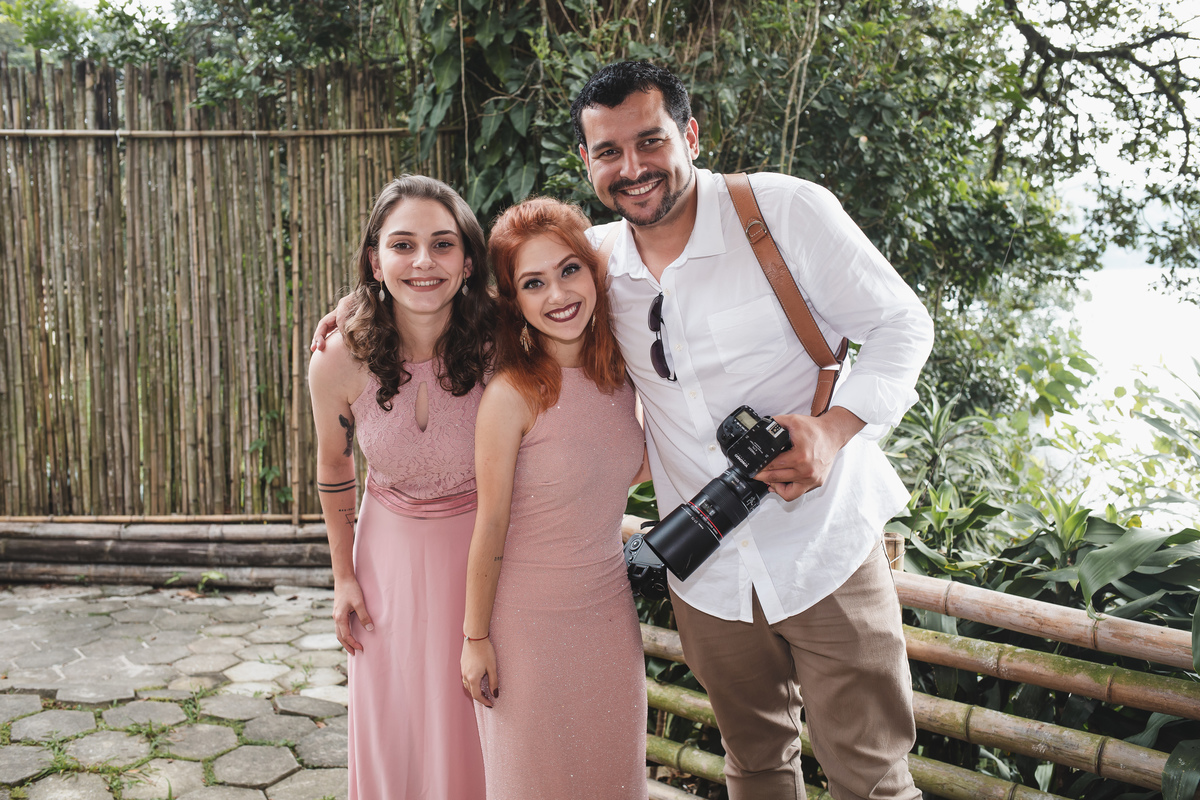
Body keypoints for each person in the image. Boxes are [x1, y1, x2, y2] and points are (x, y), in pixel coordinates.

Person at [570, 62, 935, 799]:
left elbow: (901, 324)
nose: (632, 169)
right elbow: (472, 304)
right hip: (705, 569)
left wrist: (832, 432)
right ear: (587, 162)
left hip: (824, 545)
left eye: (650, 141)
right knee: (755, 764)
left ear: (691, 135)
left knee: (873, 777)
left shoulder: (782, 211)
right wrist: (361, 321)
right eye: (609, 152)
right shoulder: (594, 262)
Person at [307, 175, 492, 799]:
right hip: (384, 558)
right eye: (402, 244)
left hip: (484, 553)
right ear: (375, 258)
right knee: (395, 727)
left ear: (468, 261)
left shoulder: (505, 347)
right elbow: (335, 468)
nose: (423, 262)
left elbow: (576, 268)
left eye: (443, 245)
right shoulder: (338, 358)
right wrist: (343, 575)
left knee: (475, 723)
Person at [459, 197, 649, 800]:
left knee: (612, 778)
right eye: (533, 283)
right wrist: (475, 638)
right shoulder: (511, 396)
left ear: (595, 272)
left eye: (570, 270)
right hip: (525, 624)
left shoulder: (624, 376)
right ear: (514, 301)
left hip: (608, 616)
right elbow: (489, 526)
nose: (558, 294)